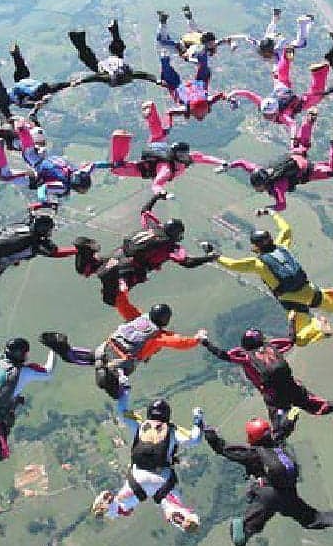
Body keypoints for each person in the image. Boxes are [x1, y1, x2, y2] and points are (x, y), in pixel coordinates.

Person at [205, 417, 333, 546]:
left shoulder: (253, 453)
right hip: (288, 494)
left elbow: (224, 449)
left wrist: (209, 433)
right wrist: (290, 420)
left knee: (255, 518)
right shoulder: (278, 445)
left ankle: (243, 528)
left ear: (252, 437)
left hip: (268, 493)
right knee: (312, 519)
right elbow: (283, 430)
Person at [41, 291, 208, 408]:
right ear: (165, 321)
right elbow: (180, 342)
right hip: (121, 362)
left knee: (86, 357)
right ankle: (109, 375)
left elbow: (122, 304)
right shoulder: (158, 336)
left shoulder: (136, 317)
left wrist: (122, 288)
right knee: (116, 393)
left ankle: (65, 348)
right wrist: (197, 338)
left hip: (106, 347)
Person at [216, 212, 333, 346]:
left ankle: (318, 327)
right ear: (270, 239)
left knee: (299, 340)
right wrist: (272, 213)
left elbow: (232, 264)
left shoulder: (256, 263)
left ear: (255, 246)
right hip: (309, 289)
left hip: (292, 301)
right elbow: (286, 229)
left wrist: (214, 255)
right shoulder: (282, 247)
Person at [74, 193, 220, 305]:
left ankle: (86, 254)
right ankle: (110, 279)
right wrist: (210, 257)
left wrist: (156, 197)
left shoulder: (153, 227)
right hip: (131, 269)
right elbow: (188, 262)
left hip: (118, 254)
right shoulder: (170, 247)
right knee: (114, 299)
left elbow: (145, 211)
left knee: (88, 269)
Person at [201, 328, 333, 424]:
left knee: (278, 425)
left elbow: (223, 355)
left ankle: (287, 419)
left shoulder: (246, 357)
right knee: (316, 405)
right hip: (293, 387)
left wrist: (205, 342)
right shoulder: (273, 347)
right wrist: (292, 320)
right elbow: (291, 340)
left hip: (274, 395)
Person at [91, 399, 204, 533]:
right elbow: (194, 438)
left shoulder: (140, 424)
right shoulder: (172, 430)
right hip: (162, 479)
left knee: (122, 506)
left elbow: (123, 412)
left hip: (137, 478)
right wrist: (198, 419)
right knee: (170, 504)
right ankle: (182, 515)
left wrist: (123, 390)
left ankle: (111, 506)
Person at [222, 109, 333, 213]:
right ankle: (308, 121)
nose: (256, 189)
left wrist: (267, 209)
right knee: (303, 144)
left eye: (258, 187)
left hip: (306, 170)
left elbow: (282, 205)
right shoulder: (258, 170)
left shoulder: (276, 187)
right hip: (295, 156)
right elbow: (242, 163)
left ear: (263, 183)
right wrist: (228, 166)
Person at [95, 106, 228, 194]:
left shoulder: (186, 157)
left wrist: (221, 162)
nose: (185, 157)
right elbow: (157, 184)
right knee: (117, 168)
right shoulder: (166, 169)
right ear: (175, 155)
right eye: (182, 155)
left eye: (185, 154)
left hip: (156, 148)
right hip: (142, 168)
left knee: (158, 135)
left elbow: (204, 158)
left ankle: (151, 111)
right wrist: (161, 192)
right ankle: (120, 139)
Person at [0, 122, 94, 211]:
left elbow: (93, 165)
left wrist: (109, 165)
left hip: (44, 158)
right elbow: (42, 188)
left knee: (26, 151)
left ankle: (19, 132)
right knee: (23, 158)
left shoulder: (72, 171)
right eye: (81, 190)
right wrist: (43, 202)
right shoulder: (62, 186)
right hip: (37, 168)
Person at [226, 49, 329, 134]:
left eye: (269, 115)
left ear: (275, 111)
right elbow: (247, 94)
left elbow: (292, 125)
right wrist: (233, 93)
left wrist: (293, 138)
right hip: (281, 89)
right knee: (282, 77)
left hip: (295, 100)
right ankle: (285, 56)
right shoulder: (263, 103)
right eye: (266, 115)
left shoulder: (282, 115)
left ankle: (319, 73)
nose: (267, 117)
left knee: (316, 97)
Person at [0, 44, 73, 124]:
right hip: (12, 95)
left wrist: (71, 83)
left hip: (21, 86)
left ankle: (15, 55)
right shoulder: (34, 97)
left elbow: (58, 86)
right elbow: (25, 102)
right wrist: (35, 105)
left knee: (22, 77)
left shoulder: (46, 89)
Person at [67, 20, 159, 88]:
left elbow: (143, 75)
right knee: (88, 58)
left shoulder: (125, 74)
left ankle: (114, 30)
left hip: (112, 63)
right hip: (103, 66)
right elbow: (94, 78)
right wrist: (80, 81)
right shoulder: (110, 77)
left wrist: (156, 80)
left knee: (118, 51)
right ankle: (77, 38)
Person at [221, 8, 314, 62]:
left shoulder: (279, 49)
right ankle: (276, 16)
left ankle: (301, 23)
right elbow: (245, 37)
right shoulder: (259, 44)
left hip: (280, 41)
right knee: (269, 31)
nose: (264, 55)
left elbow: (283, 61)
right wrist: (229, 38)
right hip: (272, 37)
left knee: (301, 43)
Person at [155, 6, 225, 64]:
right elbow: (188, 55)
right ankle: (163, 21)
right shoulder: (198, 47)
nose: (213, 45)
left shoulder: (205, 39)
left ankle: (188, 15)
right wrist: (195, 61)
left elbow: (225, 40)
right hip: (181, 45)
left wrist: (231, 43)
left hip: (189, 40)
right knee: (161, 42)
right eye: (211, 44)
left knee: (195, 30)